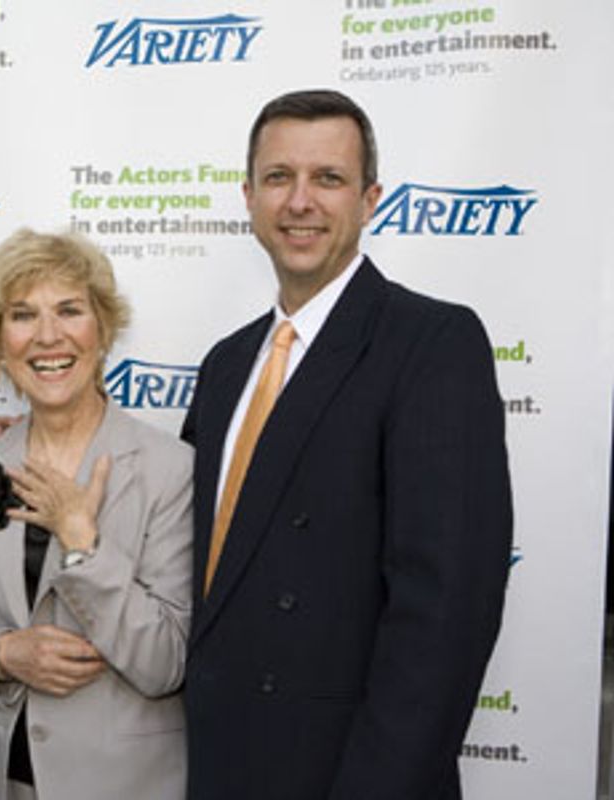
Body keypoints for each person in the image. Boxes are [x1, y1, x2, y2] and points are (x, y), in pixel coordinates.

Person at [182, 89, 512, 799]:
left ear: (370, 200)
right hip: (217, 768)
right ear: (248, 197)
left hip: (345, 776)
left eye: (328, 179)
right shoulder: (225, 365)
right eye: (279, 178)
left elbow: (445, 617)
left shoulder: (431, 344)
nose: (300, 201)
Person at [0, 229, 193, 800]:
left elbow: (166, 661)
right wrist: (3, 654)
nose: (48, 336)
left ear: (102, 330)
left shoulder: (170, 470)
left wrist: (82, 544)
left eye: (69, 311)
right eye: (23, 315)